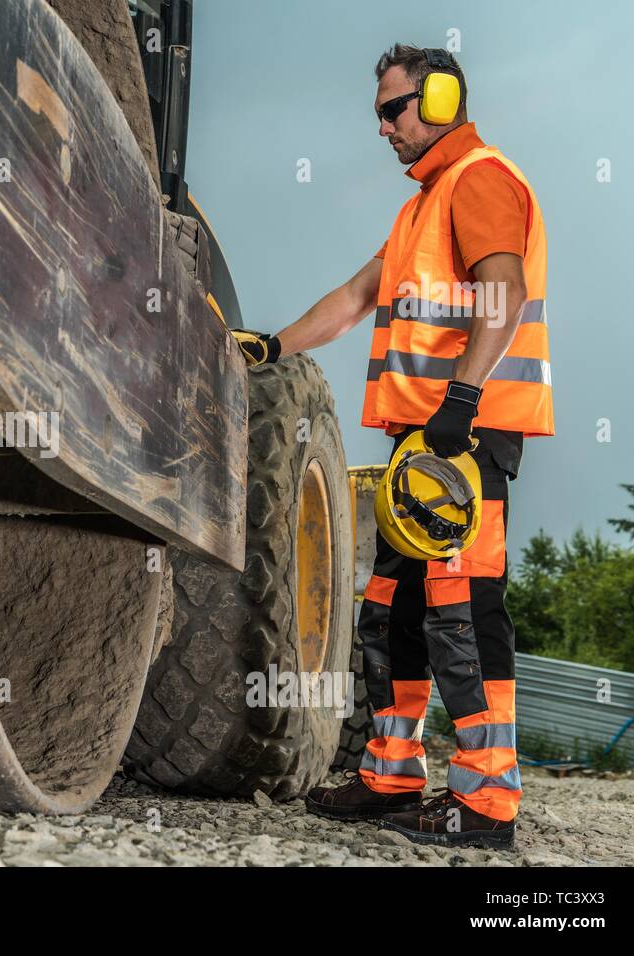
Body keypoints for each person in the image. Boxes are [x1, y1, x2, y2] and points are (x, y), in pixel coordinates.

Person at [231, 44, 553, 848]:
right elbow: (355, 297)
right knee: (392, 610)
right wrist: (273, 345)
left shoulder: (479, 179)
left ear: (439, 99)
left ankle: (486, 801)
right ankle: (391, 774)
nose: (382, 128)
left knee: (463, 613)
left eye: (392, 109)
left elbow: (505, 293)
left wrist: (463, 398)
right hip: (425, 447)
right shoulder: (422, 208)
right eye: (378, 113)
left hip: (464, 441)